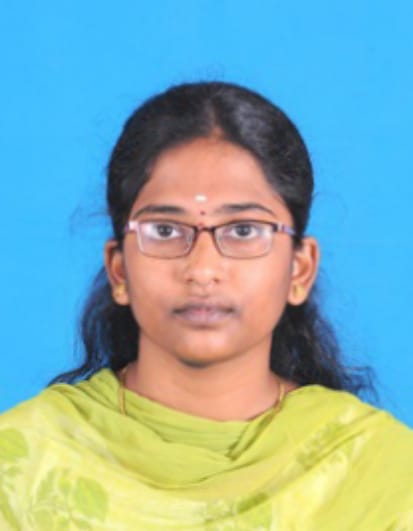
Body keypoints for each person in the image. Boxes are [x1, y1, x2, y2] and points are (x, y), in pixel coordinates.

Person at [1, 82, 412, 530]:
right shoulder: (21, 467)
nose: (202, 269)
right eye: (164, 230)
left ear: (300, 269)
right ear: (119, 270)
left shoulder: (380, 474)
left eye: (243, 230)